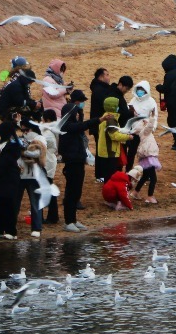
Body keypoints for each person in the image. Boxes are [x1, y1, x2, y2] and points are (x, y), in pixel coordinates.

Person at [58, 89, 98, 231]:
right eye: (80, 102)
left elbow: (80, 127)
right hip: (72, 159)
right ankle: (68, 221)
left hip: (79, 158)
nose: (81, 106)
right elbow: (79, 125)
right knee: (71, 190)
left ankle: (73, 220)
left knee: (77, 190)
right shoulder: (66, 125)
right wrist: (97, 120)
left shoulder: (74, 123)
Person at [0, 119, 24, 239]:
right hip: (1, 180)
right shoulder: (4, 143)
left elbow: (4, 162)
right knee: (0, 205)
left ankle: (11, 231)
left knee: (9, 206)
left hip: (9, 180)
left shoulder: (13, 145)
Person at [17, 117, 47, 238]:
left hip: (35, 175)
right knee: (15, 203)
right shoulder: (19, 139)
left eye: (26, 129)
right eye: (23, 130)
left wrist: (23, 151)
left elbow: (38, 153)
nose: (25, 132)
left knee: (35, 204)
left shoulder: (40, 139)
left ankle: (36, 228)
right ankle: (10, 228)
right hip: (20, 174)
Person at [96, 97, 131, 182]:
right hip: (110, 151)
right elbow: (114, 135)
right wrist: (127, 137)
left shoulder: (104, 117)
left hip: (104, 150)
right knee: (111, 176)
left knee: (107, 175)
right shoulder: (111, 120)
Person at [39, 109, 60, 224]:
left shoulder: (47, 133)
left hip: (47, 163)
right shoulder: (53, 130)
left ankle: (45, 217)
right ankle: (52, 216)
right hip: (50, 162)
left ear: (46, 119)